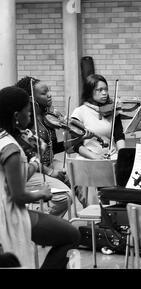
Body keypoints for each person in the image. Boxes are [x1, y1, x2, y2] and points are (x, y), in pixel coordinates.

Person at [0, 86, 80, 269]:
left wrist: (34, 161)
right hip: (9, 215)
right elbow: (18, 195)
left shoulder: (4, 138)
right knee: (72, 236)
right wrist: (42, 193)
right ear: (15, 116)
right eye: (27, 113)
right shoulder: (10, 148)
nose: (30, 118)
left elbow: (14, 177)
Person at [15, 76, 74, 218]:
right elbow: (29, 155)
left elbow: (50, 147)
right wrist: (49, 171)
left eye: (49, 91)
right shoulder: (26, 121)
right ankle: (45, 225)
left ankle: (94, 219)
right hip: (35, 169)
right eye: (43, 93)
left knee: (80, 177)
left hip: (48, 163)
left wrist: (74, 140)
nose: (49, 95)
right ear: (31, 98)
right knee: (65, 196)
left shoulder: (47, 117)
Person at [70, 74, 125, 160]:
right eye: (99, 90)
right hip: (88, 158)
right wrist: (94, 156)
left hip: (109, 155)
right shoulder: (79, 112)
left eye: (106, 89)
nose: (104, 93)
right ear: (90, 91)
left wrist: (122, 154)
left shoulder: (112, 110)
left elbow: (119, 136)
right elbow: (75, 145)